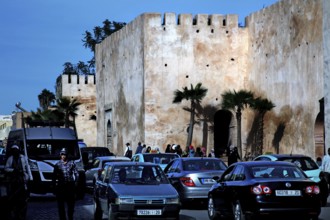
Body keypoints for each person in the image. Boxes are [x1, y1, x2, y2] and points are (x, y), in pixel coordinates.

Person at [52, 148, 79, 220]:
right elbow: (54, 177)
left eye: (64, 154)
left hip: (70, 186)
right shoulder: (57, 165)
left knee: (71, 205)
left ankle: (70, 217)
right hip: (61, 187)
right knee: (60, 206)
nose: (63, 156)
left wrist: (76, 182)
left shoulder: (72, 163)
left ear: (67, 155)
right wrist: (54, 187)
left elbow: (76, 173)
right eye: (62, 155)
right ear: (60, 155)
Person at [4, 145, 30, 220]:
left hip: (22, 179)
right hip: (13, 180)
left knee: (23, 199)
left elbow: (27, 168)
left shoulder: (23, 158)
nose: (15, 152)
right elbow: (6, 168)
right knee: (13, 198)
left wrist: (29, 177)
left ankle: (22, 214)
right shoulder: (10, 159)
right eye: (13, 150)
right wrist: (14, 170)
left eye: (16, 150)